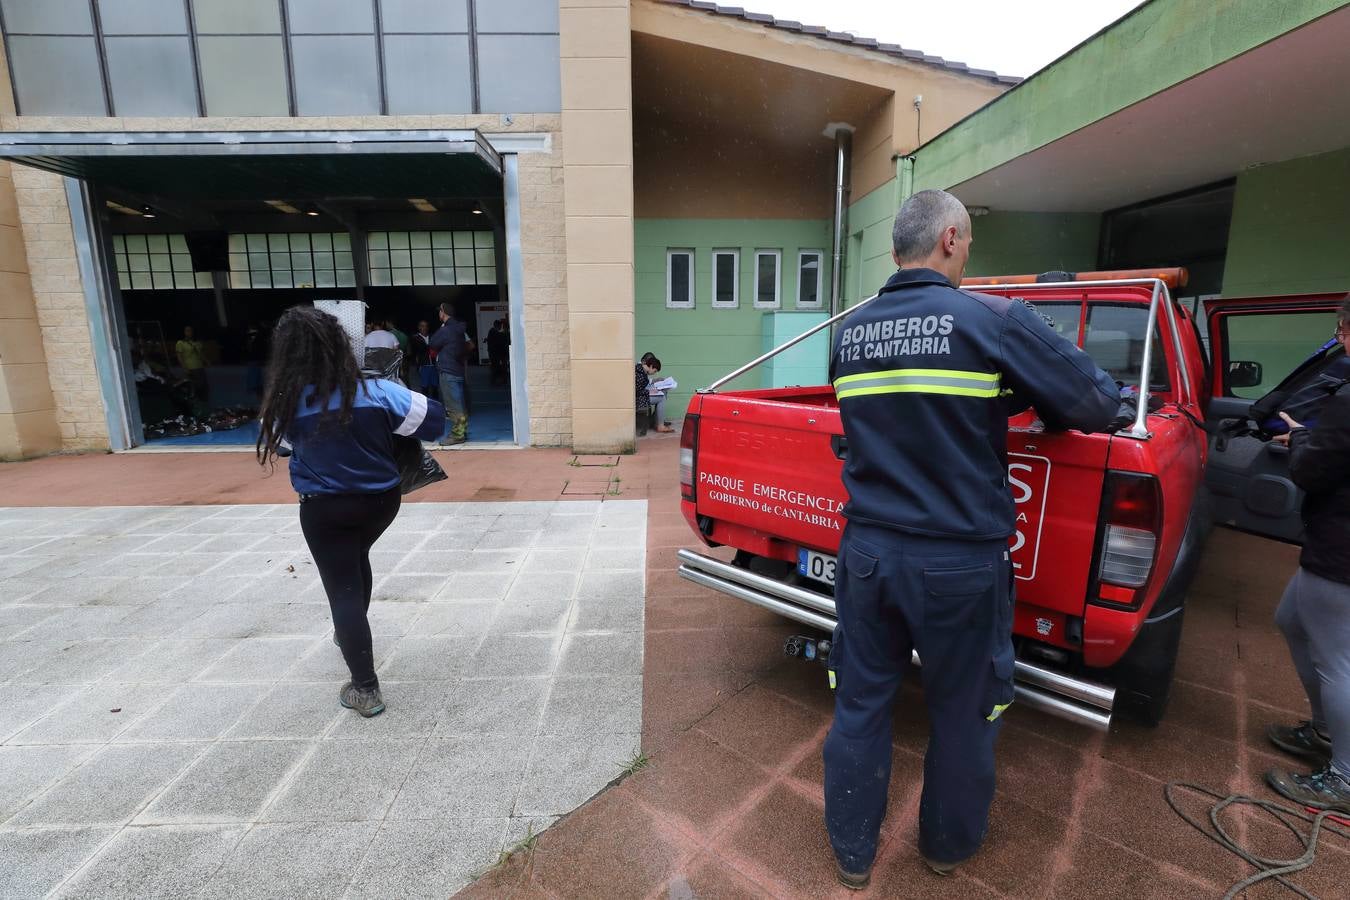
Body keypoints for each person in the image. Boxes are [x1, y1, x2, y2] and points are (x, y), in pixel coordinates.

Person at [822, 189, 1120, 888]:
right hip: (958, 560)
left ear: (899, 246)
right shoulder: (994, 319)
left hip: (867, 553)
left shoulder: (851, 333)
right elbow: (1097, 404)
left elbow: (900, 410)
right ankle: (946, 848)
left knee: (861, 702)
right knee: (963, 711)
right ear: (951, 240)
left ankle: (852, 853)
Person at [256, 307, 445, 718]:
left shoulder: (287, 403)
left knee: (342, 587)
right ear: (341, 345)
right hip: (381, 503)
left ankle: (365, 688)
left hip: (325, 509)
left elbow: (282, 446)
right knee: (357, 557)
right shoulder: (377, 391)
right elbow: (433, 423)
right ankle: (351, 626)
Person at [1264, 298, 1350, 813]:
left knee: (1338, 658)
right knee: (1292, 620)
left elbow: (1314, 471)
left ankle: (1344, 777)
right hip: (1336, 541)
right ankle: (1323, 730)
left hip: (1341, 548)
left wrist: (1298, 439)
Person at [430, 302, 472, 445]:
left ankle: (457, 435)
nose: (438, 314)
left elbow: (433, 343)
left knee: (453, 405)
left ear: (443, 312)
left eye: (439, 312)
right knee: (460, 403)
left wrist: (441, 329)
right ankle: (462, 431)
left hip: (448, 371)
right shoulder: (459, 329)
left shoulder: (446, 330)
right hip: (457, 370)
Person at [175, 325, 209, 403]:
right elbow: (179, 357)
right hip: (190, 368)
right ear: (184, 332)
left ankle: (203, 404)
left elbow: (201, 354)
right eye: (187, 330)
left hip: (200, 367)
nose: (189, 332)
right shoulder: (180, 343)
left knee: (204, 387)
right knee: (193, 387)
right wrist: (185, 368)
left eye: (190, 330)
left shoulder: (197, 343)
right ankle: (194, 404)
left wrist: (206, 361)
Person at [486, 318, 511, 386]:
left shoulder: (493, 331)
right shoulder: (495, 332)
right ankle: (496, 380)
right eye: (500, 326)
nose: (501, 327)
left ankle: (497, 380)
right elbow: (501, 339)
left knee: (497, 366)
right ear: (498, 326)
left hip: (496, 352)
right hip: (496, 353)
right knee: (497, 366)